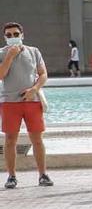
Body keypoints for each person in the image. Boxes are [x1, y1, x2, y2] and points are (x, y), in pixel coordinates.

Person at [1, 21, 52, 188]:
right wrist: (10, 56)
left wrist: (34, 89)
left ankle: (43, 175)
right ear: (4, 37)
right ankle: (11, 176)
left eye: (16, 34)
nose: (13, 37)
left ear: (22, 35)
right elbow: (1, 75)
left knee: (37, 139)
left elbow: (43, 73)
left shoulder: (33, 51)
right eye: (9, 35)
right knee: (10, 140)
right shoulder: (1, 53)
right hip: (10, 102)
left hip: (32, 100)